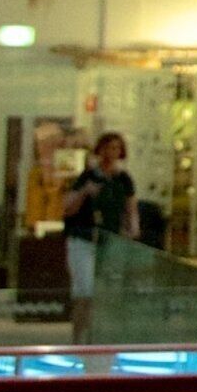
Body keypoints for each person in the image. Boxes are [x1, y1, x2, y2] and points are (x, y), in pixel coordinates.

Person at [60, 132, 134, 341]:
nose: (111, 153)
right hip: (83, 238)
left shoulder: (123, 179)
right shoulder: (87, 176)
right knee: (84, 290)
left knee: (103, 292)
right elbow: (68, 208)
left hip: (109, 241)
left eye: (116, 148)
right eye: (108, 148)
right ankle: (79, 336)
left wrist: (131, 228)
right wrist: (85, 192)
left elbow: (130, 206)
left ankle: (95, 336)